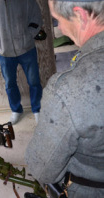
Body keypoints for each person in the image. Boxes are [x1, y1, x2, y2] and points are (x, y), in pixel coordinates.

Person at [25, 0, 104, 197]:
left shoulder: (68, 90)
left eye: (57, 19)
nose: (59, 27)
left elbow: (42, 168)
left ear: (81, 16)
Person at [0, 0, 46, 124]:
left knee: (34, 81)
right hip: (4, 52)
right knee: (10, 84)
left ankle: (37, 109)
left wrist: (28, 35)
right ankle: (16, 110)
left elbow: (36, 16)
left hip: (27, 49)